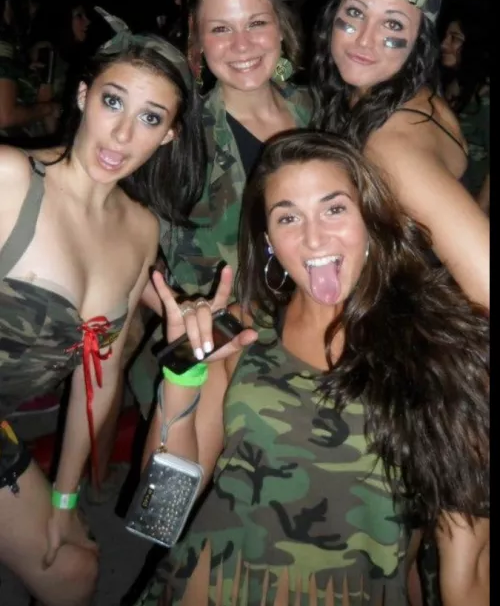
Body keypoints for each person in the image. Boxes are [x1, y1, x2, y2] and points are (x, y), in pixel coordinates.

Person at [135, 130, 489, 606]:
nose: (314, 237)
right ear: (268, 241)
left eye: (334, 209)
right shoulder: (240, 332)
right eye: (288, 217)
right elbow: (160, 514)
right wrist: (183, 372)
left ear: (370, 216)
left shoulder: (440, 350)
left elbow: (468, 569)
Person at [0, 11, 205, 606]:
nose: (121, 135)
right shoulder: (12, 179)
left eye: (149, 118)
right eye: (113, 102)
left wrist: (65, 499)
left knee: (75, 572)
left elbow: (100, 377)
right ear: (83, 96)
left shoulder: (141, 230)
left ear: (168, 135)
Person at [129, 0, 311, 418]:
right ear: (198, 40)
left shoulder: (319, 112)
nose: (242, 45)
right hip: (218, 351)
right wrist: (181, 311)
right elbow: (118, 243)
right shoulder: (178, 136)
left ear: (281, 27)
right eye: (221, 29)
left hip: (314, 333)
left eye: (257, 23)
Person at [310, 0, 489, 310]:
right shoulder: (408, 95)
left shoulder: (392, 142)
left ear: (418, 40)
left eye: (392, 23)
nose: (365, 40)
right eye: (355, 12)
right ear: (333, 13)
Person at [440, 9, 490, 213]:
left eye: (455, 38)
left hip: (472, 206)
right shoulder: (448, 85)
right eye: (445, 36)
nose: (444, 44)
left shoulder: (485, 95)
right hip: (450, 198)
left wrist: (478, 212)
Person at [0, 0, 61, 142]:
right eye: (27, 2)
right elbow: (5, 116)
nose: (32, 10)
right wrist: (48, 108)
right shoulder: (4, 44)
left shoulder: (12, 47)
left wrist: (23, 72)